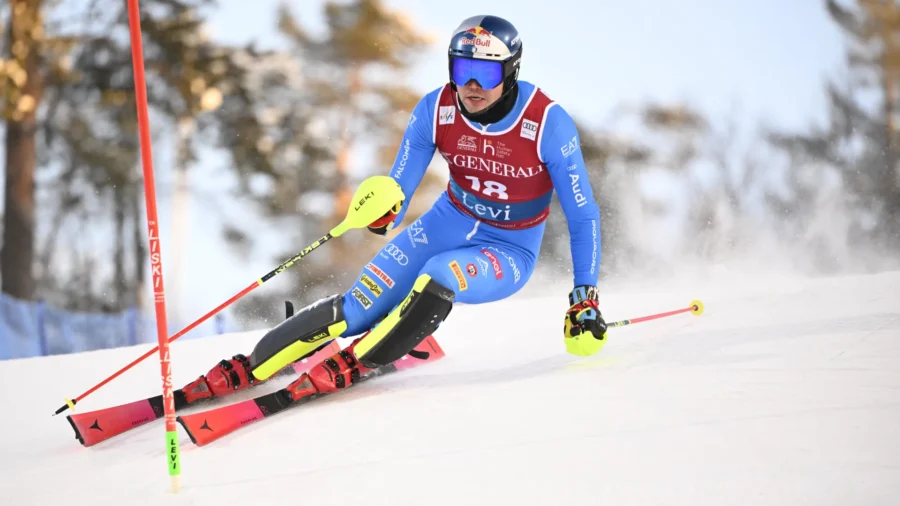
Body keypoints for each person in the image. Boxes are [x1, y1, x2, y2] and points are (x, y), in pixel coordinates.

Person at [180, 15, 608, 403]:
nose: (472, 85)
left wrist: (583, 298)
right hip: (448, 221)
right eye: (462, 70)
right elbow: (398, 190)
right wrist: (385, 211)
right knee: (356, 307)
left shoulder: (548, 124)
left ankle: (356, 362)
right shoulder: (435, 110)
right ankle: (248, 365)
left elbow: (583, 214)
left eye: (485, 72)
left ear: (511, 70)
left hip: (509, 248)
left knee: (438, 276)